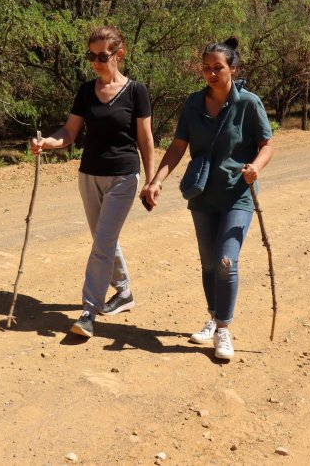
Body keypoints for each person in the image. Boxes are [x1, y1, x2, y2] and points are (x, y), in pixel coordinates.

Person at [143, 38, 273, 361]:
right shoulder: (192, 104)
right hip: (201, 195)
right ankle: (214, 318)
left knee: (226, 261)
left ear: (233, 69)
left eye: (218, 68)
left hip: (237, 195)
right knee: (208, 263)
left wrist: (255, 168)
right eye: (207, 68)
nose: (212, 74)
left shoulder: (249, 103)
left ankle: (224, 329)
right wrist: (157, 181)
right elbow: (177, 147)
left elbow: (267, 145)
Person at [31, 26, 155, 339]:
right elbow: (69, 132)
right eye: (91, 56)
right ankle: (124, 292)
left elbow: (145, 137)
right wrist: (48, 142)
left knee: (101, 243)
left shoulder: (136, 91)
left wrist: (151, 180)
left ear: (119, 55)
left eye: (102, 56)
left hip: (124, 176)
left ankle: (89, 311)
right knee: (104, 239)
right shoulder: (86, 91)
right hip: (89, 175)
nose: (96, 62)